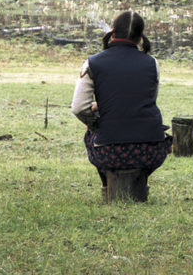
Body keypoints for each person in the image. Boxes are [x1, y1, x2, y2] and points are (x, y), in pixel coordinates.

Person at [71, 11, 171, 199]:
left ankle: (106, 187)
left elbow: (79, 108)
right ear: (140, 37)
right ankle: (139, 186)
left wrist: (95, 123)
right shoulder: (152, 63)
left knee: (92, 134)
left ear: (113, 32)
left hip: (109, 152)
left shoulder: (92, 63)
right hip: (151, 151)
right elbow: (146, 100)